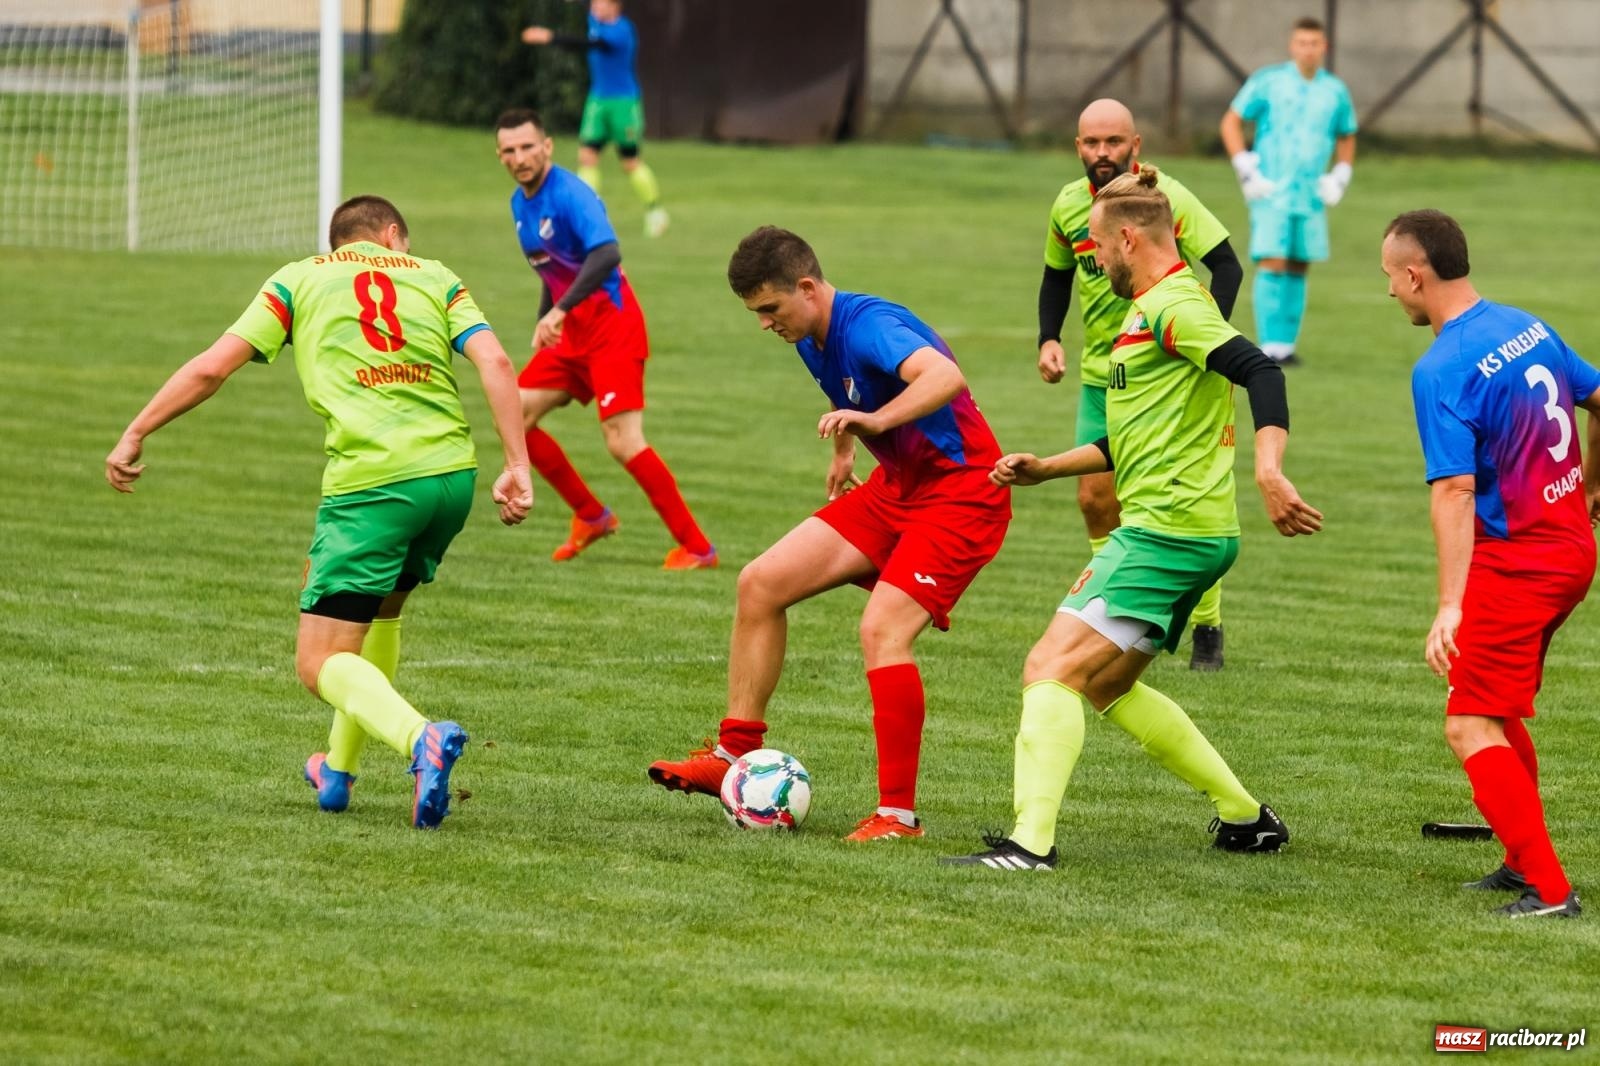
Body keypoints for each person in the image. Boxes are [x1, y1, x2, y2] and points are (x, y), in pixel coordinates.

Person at [105, 195, 534, 829]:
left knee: (317, 661)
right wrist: (517, 464)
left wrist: (137, 430)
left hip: (374, 485)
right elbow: (496, 361)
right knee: (378, 614)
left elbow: (210, 369)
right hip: (451, 479)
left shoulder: (298, 278)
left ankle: (421, 738)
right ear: (392, 235)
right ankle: (336, 773)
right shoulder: (437, 276)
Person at [944, 169, 1321, 872]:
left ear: (1127, 238)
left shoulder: (1178, 305)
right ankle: (1245, 817)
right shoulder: (1145, 314)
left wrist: (1269, 470)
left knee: (1049, 668)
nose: (1092, 261)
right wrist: (1048, 467)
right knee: (1107, 684)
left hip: (1167, 531)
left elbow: (1262, 373)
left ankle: (1030, 845)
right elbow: (1135, 437)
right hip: (1188, 531)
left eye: (1094, 248)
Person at [646, 226, 1012, 841]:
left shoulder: (869, 324)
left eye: (770, 308)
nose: (765, 323)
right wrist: (847, 447)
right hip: (896, 489)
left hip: (961, 494)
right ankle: (732, 754)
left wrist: (872, 419)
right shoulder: (809, 334)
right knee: (760, 583)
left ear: (809, 288)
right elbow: (850, 387)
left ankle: (897, 816)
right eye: (755, 313)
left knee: (883, 631)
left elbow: (943, 375)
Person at [1382, 209, 1598, 918]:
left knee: (1469, 721)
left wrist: (1451, 604)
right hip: (1570, 549)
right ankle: (1518, 860)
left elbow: (1453, 489)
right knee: (1497, 708)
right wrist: (1592, 485)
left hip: (1519, 564)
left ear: (1416, 274)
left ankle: (1550, 890)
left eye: (1391, 277)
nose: (1391, 292)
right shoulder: (1525, 325)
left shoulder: (1440, 368)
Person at [1040, 97, 1243, 670]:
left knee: (1173, 509)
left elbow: (1226, 265)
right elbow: (1055, 277)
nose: (1102, 153)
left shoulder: (1166, 200)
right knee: (1094, 496)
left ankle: (1206, 625)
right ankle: (1111, 607)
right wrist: (1047, 338)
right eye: (1091, 143)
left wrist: (1200, 344)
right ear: (1077, 147)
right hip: (1101, 376)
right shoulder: (1069, 206)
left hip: (1162, 379)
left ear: (1136, 145)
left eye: (1113, 142)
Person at [495, 107, 715, 570]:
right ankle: (591, 517)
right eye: (510, 150)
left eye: (528, 146)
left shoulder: (574, 194)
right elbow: (550, 269)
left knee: (622, 440)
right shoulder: (520, 203)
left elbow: (607, 253)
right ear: (500, 156)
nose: (521, 157)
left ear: (547, 146)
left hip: (612, 327)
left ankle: (697, 548)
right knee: (513, 416)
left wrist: (559, 310)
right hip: (571, 332)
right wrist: (546, 319)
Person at [1220, 16, 1357, 367]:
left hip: (1310, 192)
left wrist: (1341, 172)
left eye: (1315, 43)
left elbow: (1346, 132)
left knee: (1299, 262)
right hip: (1272, 188)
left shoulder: (1334, 90)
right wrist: (1245, 167)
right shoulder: (1269, 81)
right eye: (1302, 42)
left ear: (1324, 47)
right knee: (1273, 258)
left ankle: (1285, 343)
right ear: (1292, 45)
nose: (1308, 49)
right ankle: (1268, 343)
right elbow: (1232, 120)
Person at [522, 0, 669, 238]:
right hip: (597, 102)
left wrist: (550, 37)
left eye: (600, 5)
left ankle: (655, 212)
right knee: (587, 157)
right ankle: (587, 214)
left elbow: (589, 44)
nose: (594, 9)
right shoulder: (595, 18)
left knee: (630, 162)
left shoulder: (621, 31)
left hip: (623, 103)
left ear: (615, 7)